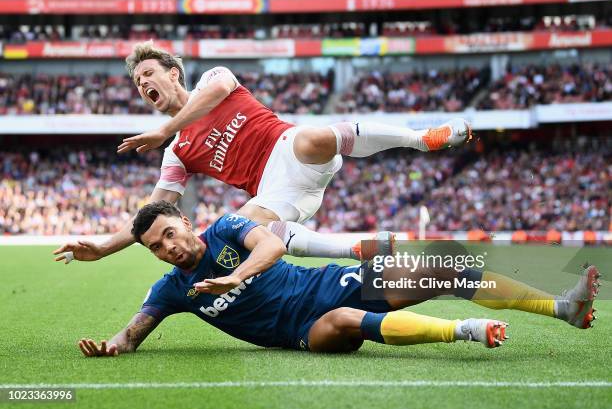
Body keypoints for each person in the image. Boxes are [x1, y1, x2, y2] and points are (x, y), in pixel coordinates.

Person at [53, 41, 471, 266]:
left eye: (148, 73)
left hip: (289, 151)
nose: (143, 83)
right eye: (137, 81)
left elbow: (216, 92)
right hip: (276, 193)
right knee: (246, 227)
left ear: (172, 73)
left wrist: (164, 129)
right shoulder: (177, 153)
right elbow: (152, 213)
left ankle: (422, 139)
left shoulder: (213, 80)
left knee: (311, 137)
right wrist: (104, 248)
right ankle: (360, 248)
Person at [73, 201, 599, 357]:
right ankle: (462, 331)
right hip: (306, 332)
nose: (168, 247)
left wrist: (232, 283)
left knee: (445, 266)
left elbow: (274, 244)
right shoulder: (172, 290)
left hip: (328, 282)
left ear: (185, 223)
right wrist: (113, 347)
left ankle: (562, 308)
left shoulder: (229, 228)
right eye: (156, 247)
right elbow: (133, 332)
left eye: (169, 233)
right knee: (347, 322)